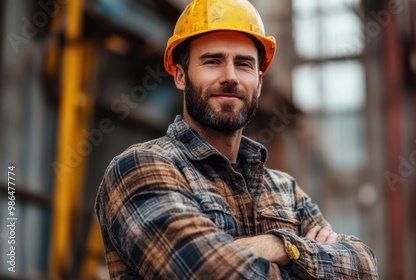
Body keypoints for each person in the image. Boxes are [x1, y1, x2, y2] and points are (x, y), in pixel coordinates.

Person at [95, 0, 378, 279]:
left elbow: (364, 266)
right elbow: (204, 271)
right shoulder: (140, 167)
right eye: (213, 61)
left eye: (243, 64)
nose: (230, 76)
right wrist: (305, 257)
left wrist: (282, 246)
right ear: (181, 76)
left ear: (259, 81)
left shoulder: (284, 189)